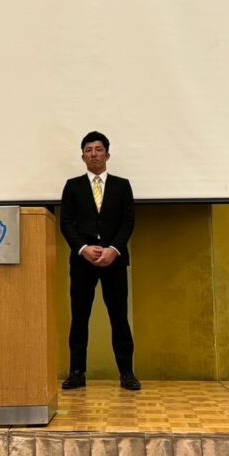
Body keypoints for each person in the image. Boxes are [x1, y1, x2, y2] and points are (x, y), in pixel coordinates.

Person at [60, 131, 141, 392]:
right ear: (82, 157)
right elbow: (66, 223)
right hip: (82, 262)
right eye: (88, 150)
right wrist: (83, 248)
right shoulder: (72, 186)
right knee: (79, 317)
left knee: (119, 317)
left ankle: (127, 373)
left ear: (107, 154)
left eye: (98, 149)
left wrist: (114, 249)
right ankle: (77, 372)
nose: (93, 154)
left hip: (113, 261)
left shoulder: (122, 185)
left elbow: (128, 221)